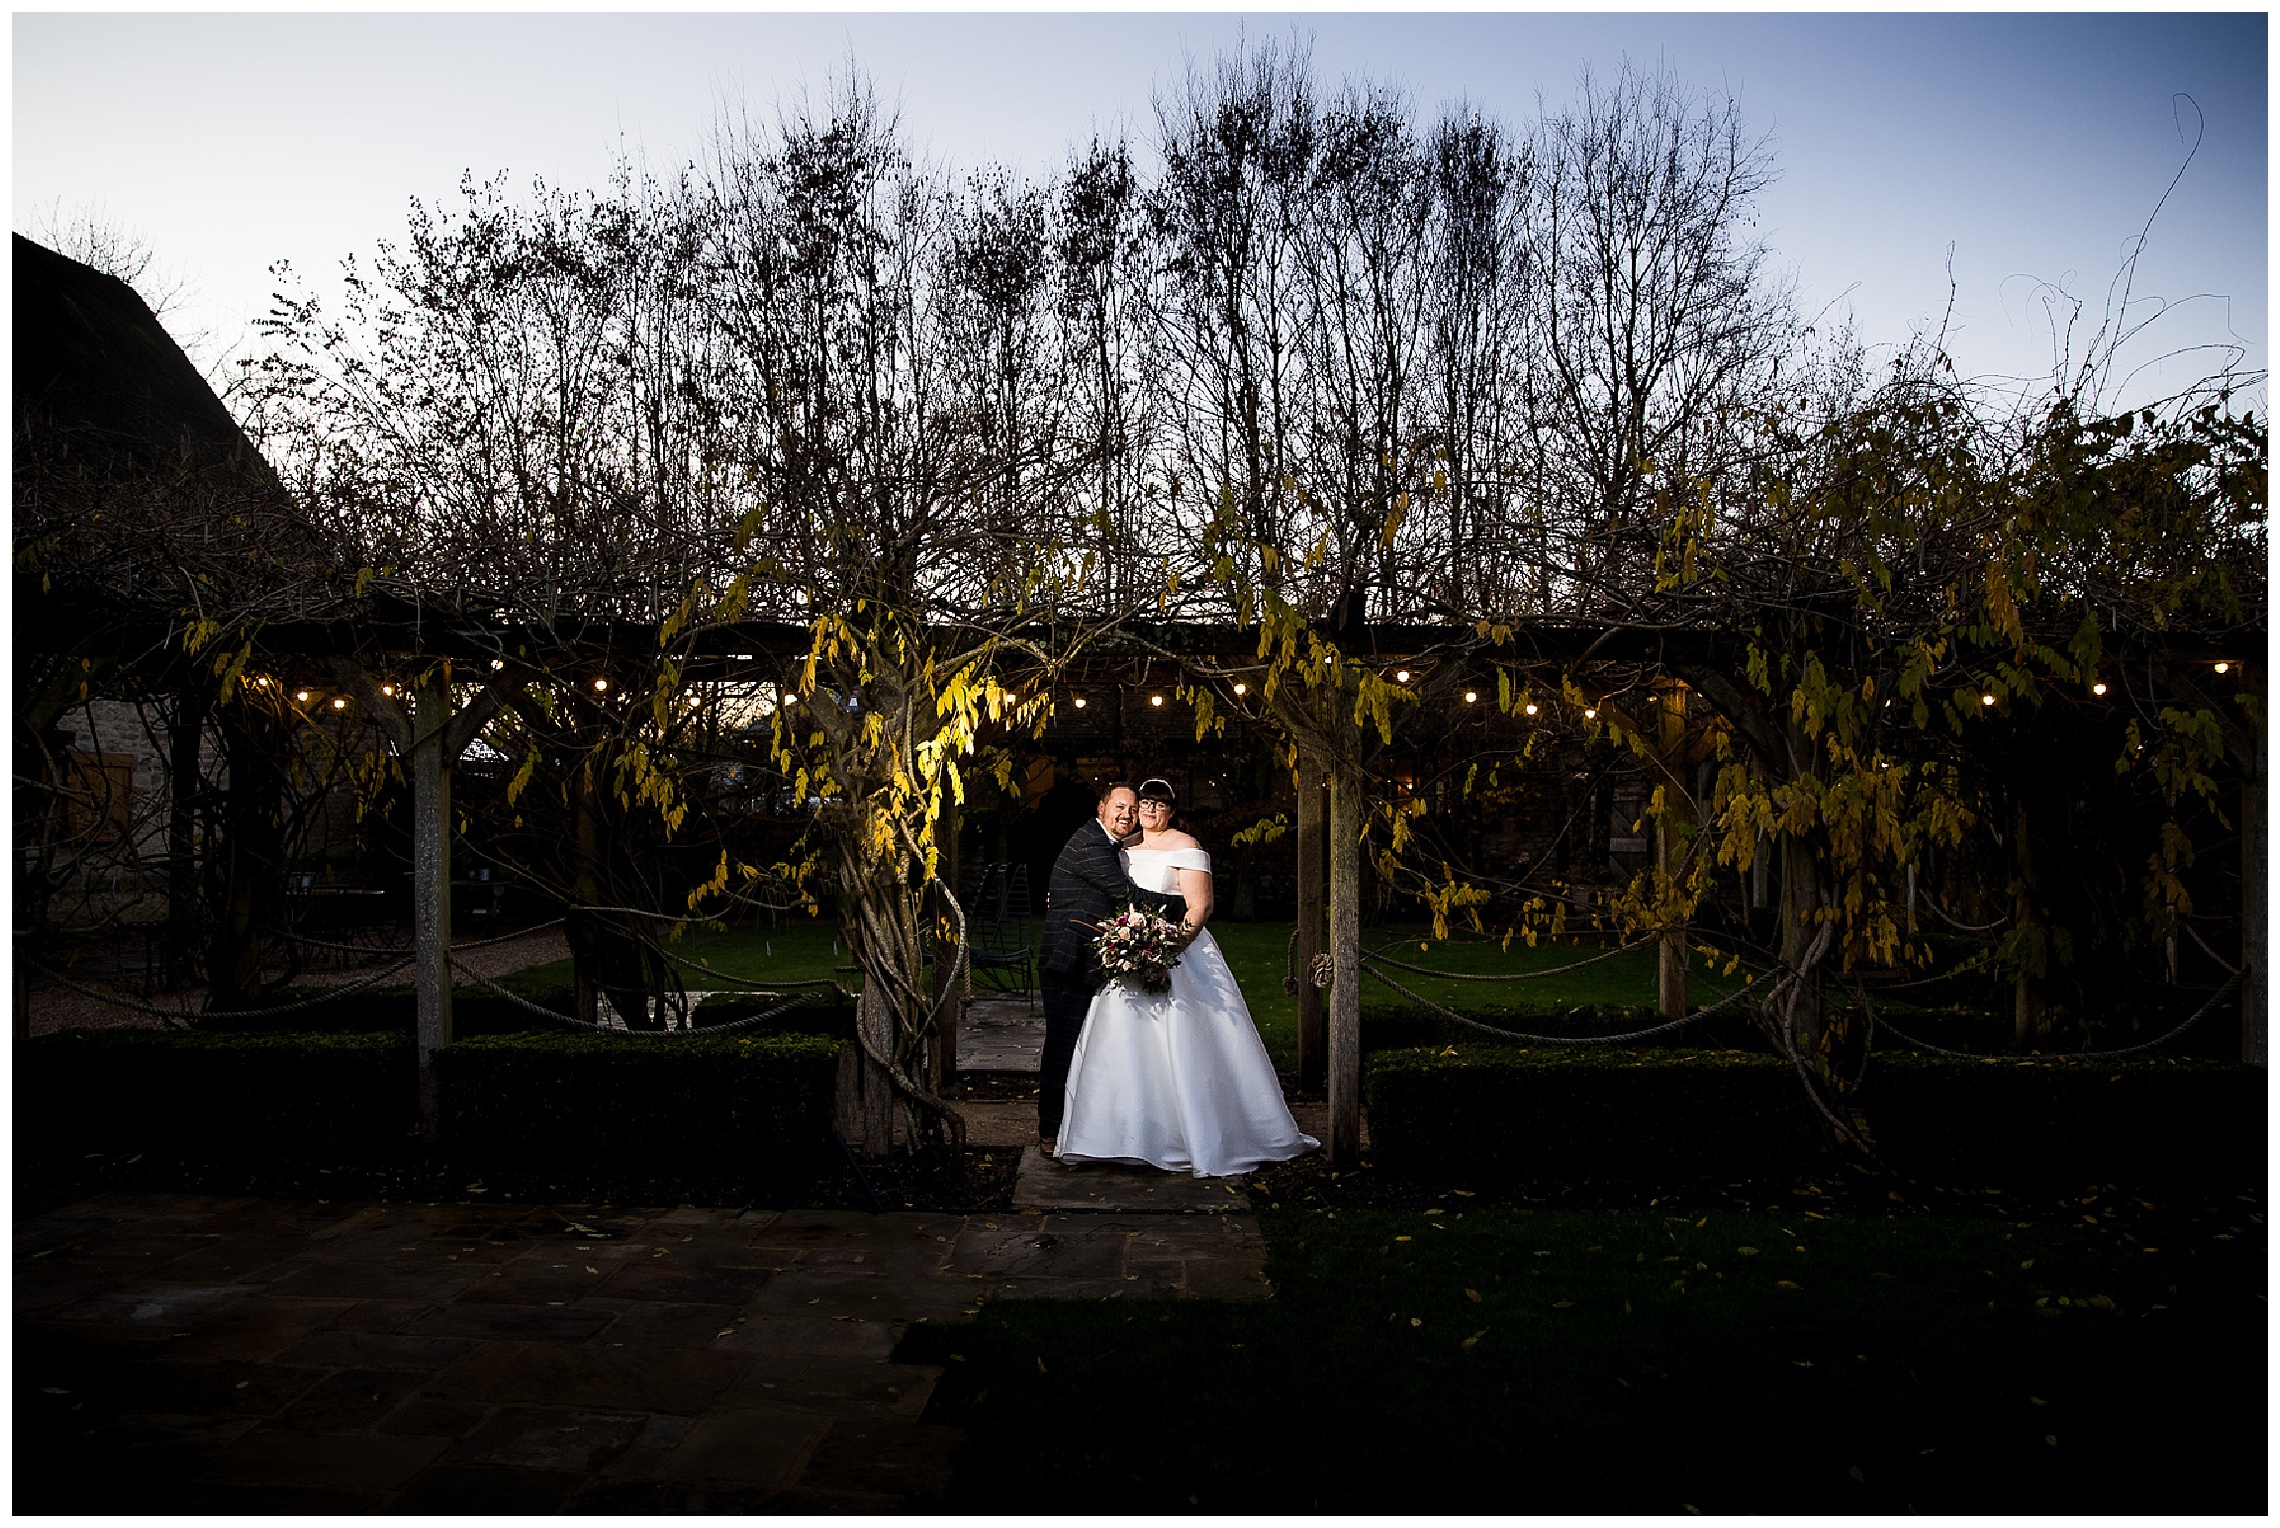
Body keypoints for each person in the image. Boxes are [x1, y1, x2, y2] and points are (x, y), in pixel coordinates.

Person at [1057, 777, 1319, 1177]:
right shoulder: (1122, 849)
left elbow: (1199, 907)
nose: (1149, 811)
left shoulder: (1187, 847)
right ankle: (1118, 1137)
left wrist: (1164, 952)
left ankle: (1189, 1134)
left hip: (1175, 955)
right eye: (1144, 803)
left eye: (1159, 805)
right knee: (1121, 1046)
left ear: (1172, 811)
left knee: (1184, 1043)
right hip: (1127, 956)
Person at [1035, 781, 1183, 1152]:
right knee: (1061, 1048)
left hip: (1085, 961)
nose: (1127, 815)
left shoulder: (1107, 845)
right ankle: (1049, 1131)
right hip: (1067, 961)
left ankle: (1075, 1127)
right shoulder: (1090, 845)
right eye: (1120, 806)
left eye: (1133, 810)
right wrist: (1184, 904)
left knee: (1083, 1049)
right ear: (1101, 808)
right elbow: (1126, 895)